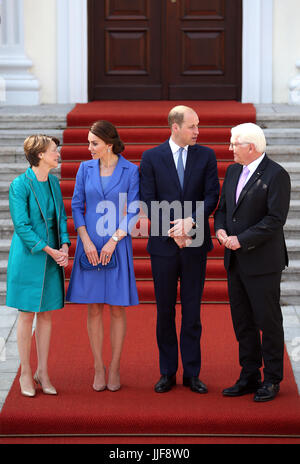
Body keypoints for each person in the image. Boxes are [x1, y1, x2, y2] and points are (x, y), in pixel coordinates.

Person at [140, 105, 220, 393]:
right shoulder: (151, 157)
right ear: (175, 127)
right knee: (164, 311)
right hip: (163, 246)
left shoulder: (206, 155)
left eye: (198, 126)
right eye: (192, 126)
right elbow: (147, 199)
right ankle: (167, 371)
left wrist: (191, 223)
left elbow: (212, 195)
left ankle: (192, 373)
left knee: (192, 311)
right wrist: (174, 231)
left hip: (195, 245)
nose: (197, 131)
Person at [214, 122, 291, 402]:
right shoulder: (233, 171)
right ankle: (249, 375)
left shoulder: (276, 175)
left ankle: (271, 379)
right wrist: (221, 230)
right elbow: (223, 209)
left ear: (251, 147)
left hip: (262, 262)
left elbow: (274, 219)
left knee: (267, 321)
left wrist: (241, 239)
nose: (230, 149)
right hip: (234, 260)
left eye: (234, 144)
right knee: (243, 321)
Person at [66, 120, 139, 392]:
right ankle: (99, 366)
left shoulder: (131, 171)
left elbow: (133, 209)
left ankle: (116, 366)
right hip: (90, 244)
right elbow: (76, 206)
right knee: (94, 307)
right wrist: (84, 240)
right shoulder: (85, 169)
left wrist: (114, 240)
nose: (89, 148)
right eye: (88, 143)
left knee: (117, 307)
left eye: (94, 143)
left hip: (118, 243)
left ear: (109, 144)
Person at [6, 135, 70, 397]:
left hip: (53, 255)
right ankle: (24, 373)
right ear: (41, 155)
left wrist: (65, 245)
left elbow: (62, 218)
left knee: (46, 315)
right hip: (30, 257)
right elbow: (21, 226)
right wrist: (49, 250)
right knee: (26, 314)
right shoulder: (19, 185)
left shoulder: (53, 182)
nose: (59, 154)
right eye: (55, 150)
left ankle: (42, 372)